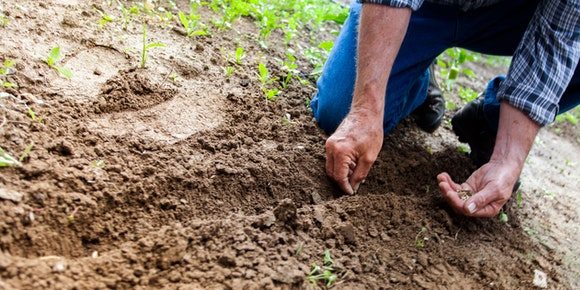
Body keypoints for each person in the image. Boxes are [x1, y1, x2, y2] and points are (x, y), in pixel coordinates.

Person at [310, 0, 580, 217]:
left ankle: (492, 121)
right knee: (340, 111)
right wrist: (365, 111)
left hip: (511, 14)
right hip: (424, 7)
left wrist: (507, 159)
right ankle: (416, 78)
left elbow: (560, 37)